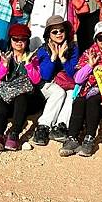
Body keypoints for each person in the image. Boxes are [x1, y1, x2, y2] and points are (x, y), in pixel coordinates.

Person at [60, 21, 102, 157]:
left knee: (93, 100)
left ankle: (89, 138)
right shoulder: (89, 54)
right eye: (100, 38)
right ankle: (72, 138)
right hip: (88, 90)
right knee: (79, 100)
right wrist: (90, 66)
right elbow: (78, 79)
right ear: (96, 40)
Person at [0, 24, 42, 152]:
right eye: (15, 39)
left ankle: (14, 134)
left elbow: (36, 80)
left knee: (21, 97)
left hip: (27, 101)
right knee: (1, 104)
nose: (19, 42)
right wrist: (4, 65)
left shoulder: (32, 57)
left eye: (22, 39)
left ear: (27, 41)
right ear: (10, 40)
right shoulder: (6, 57)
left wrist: (29, 65)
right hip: (9, 99)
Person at [33, 16, 80, 146]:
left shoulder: (73, 48)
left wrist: (63, 59)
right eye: (54, 31)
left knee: (72, 93)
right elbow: (45, 76)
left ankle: (61, 125)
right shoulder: (43, 50)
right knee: (59, 92)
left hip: (66, 82)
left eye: (61, 30)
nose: (59, 33)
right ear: (49, 34)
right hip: (47, 83)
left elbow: (73, 74)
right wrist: (53, 57)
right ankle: (43, 126)